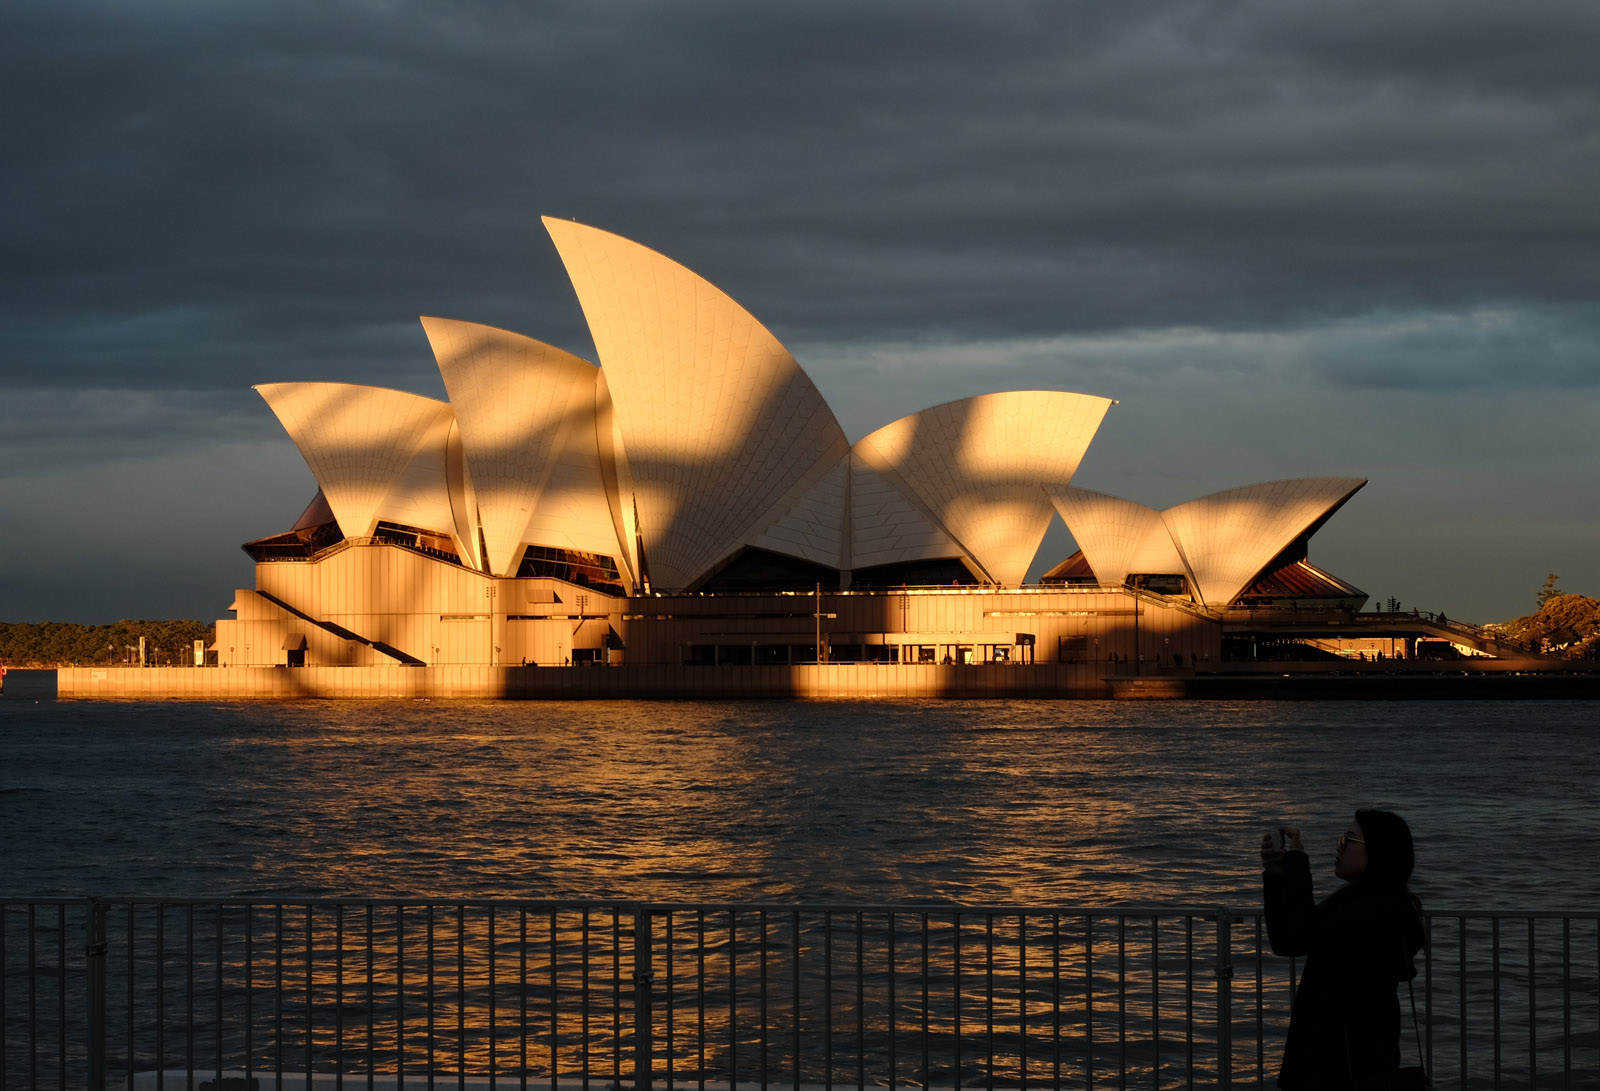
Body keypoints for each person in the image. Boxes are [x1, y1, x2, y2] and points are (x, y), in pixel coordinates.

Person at [1260, 810, 1426, 1089]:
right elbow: (1288, 942)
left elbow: (1302, 932)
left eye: (1349, 840)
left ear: (1378, 851)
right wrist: (1278, 879)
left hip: (1346, 1063)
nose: (1340, 847)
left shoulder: (1380, 910)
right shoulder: (1352, 901)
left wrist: (1298, 863)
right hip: (1327, 1057)